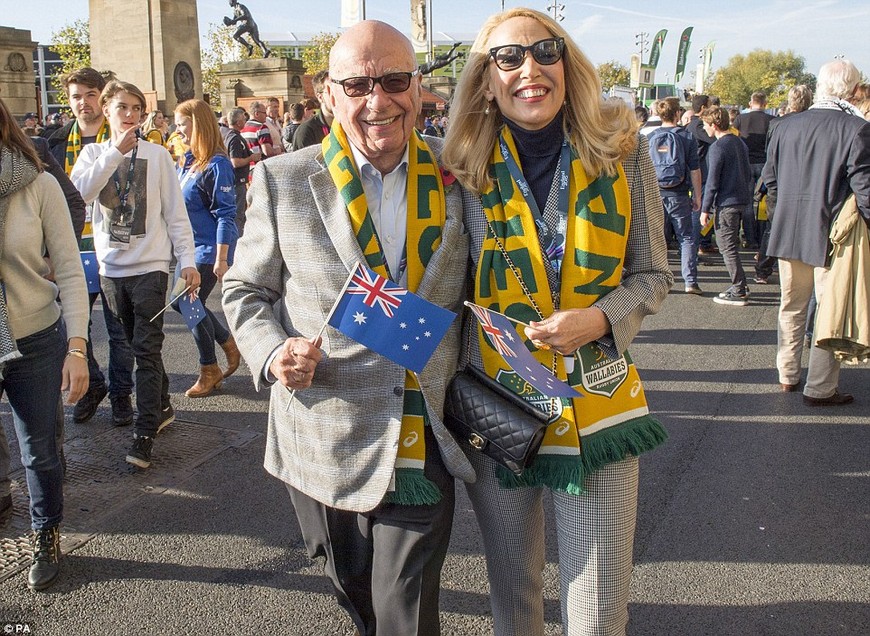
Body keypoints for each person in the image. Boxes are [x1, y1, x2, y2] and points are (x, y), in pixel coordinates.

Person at [222, 20, 470, 636]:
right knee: (354, 589)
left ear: (419, 87)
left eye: (393, 80)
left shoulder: (463, 174)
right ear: (326, 92)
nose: (377, 101)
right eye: (357, 85)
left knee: (405, 608)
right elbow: (245, 290)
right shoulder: (282, 180)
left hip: (424, 429)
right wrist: (275, 350)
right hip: (323, 430)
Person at [441, 8, 672, 635]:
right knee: (516, 592)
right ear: (485, 81)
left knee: (598, 605)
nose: (529, 70)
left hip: (596, 395)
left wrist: (599, 318)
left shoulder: (624, 151)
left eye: (546, 52)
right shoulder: (460, 166)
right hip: (500, 398)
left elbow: (653, 276)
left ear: (567, 64)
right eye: (508, 59)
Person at [71, 80, 200, 469]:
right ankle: (160, 403)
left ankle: (143, 435)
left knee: (146, 349)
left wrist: (187, 261)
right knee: (130, 342)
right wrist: (113, 153)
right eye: (122, 107)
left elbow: (175, 214)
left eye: (135, 109)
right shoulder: (94, 153)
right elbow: (80, 195)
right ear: (107, 109)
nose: (129, 115)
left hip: (151, 266)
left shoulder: (158, 156)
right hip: (111, 269)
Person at [0, 96, 89, 591]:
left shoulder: (37, 184)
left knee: (39, 450)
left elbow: (71, 271)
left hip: (35, 337)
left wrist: (77, 348)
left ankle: (45, 532)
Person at [762, 59, 870, 404]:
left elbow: (771, 183)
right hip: (832, 235)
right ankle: (820, 387)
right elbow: (865, 189)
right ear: (854, 90)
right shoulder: (855, 128)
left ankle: (787, 374)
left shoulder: (784, 126)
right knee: (828, 309)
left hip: (788, 230)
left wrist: (777, 222)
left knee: (791, 305)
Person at [46, 67, 135, 427]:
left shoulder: (121, 137)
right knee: (71, 325)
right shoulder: (53, 143)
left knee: (118, 329)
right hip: (68, 245)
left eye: (89, 95)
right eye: (75, 97)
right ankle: (94, 383)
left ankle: (120, 395)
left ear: (102, 96)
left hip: (111, 245)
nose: (82, 103)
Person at [172, 99, 240, 398]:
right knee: (182, 303)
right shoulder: (188, 162)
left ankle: (209, 368)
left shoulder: (218, 164)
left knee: (186, 302)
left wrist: (222, 257)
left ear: (197, 125)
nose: (178, 131)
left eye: (182, 125)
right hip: (188, 248)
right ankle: (227, 341)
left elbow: (227, 214)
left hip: (209, 250)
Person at [754, 84, 813, 285]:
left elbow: (770, 155)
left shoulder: (778, 124)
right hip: (801, 183)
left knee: (774, 227)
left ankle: (763, 268)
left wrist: (770, 182)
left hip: (778, 182)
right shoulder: (813, 125)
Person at [648, 97, 703, 294]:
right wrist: (698, 196)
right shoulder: (686, 137)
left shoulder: (650, 136)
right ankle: (690, 282)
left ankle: (661, 282)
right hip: (678, 194)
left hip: (655, 194)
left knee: (657, 238)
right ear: (678, 113)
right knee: (686, 237)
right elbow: (695, 170)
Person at [699, 106, 752, 306]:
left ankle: (739, 288)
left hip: (726, 202)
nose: (704, 129)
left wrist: (705, 209)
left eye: (705, 125)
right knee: (730, 244)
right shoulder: (739, 143)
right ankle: (739, 285)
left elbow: (712, 182)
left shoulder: (717, 148)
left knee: (726, 245)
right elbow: (746, 173)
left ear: (713, 124)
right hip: (741, 199)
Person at [733, 92, 774, 249]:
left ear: (750, 103)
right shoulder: (772, 121)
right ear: (765, 104)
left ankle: (750, 238)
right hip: (765, 163)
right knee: (766, 201)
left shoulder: (740, 120)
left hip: (746, 163)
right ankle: (765, 236)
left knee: (748, 202)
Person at [224, 107, 254, 234]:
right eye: (243, 119)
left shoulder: (228, 135)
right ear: (238, 122)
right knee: (238, 213)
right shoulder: (235, 139)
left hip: (235, 180)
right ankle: (236, 240)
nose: (245, 121)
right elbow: (235, 161)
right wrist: (251, 158)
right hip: (237, 181)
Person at [291, 72, 334, 151]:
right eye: (330, 92)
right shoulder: (306, 131)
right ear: (320, 97)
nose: (336, 96)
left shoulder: (349, 125)